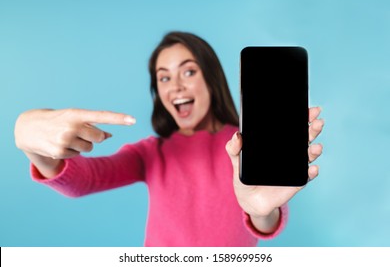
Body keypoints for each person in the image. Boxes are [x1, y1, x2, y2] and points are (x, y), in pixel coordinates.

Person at [14, 31, 324, 247]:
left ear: (211, 78)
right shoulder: (150, 152)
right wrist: (32, 144)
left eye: (188, 72)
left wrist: (260, 212)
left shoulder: (247, 142)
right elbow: (86, 180)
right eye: (163, 77)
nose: (174, 86)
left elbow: (266, 218)